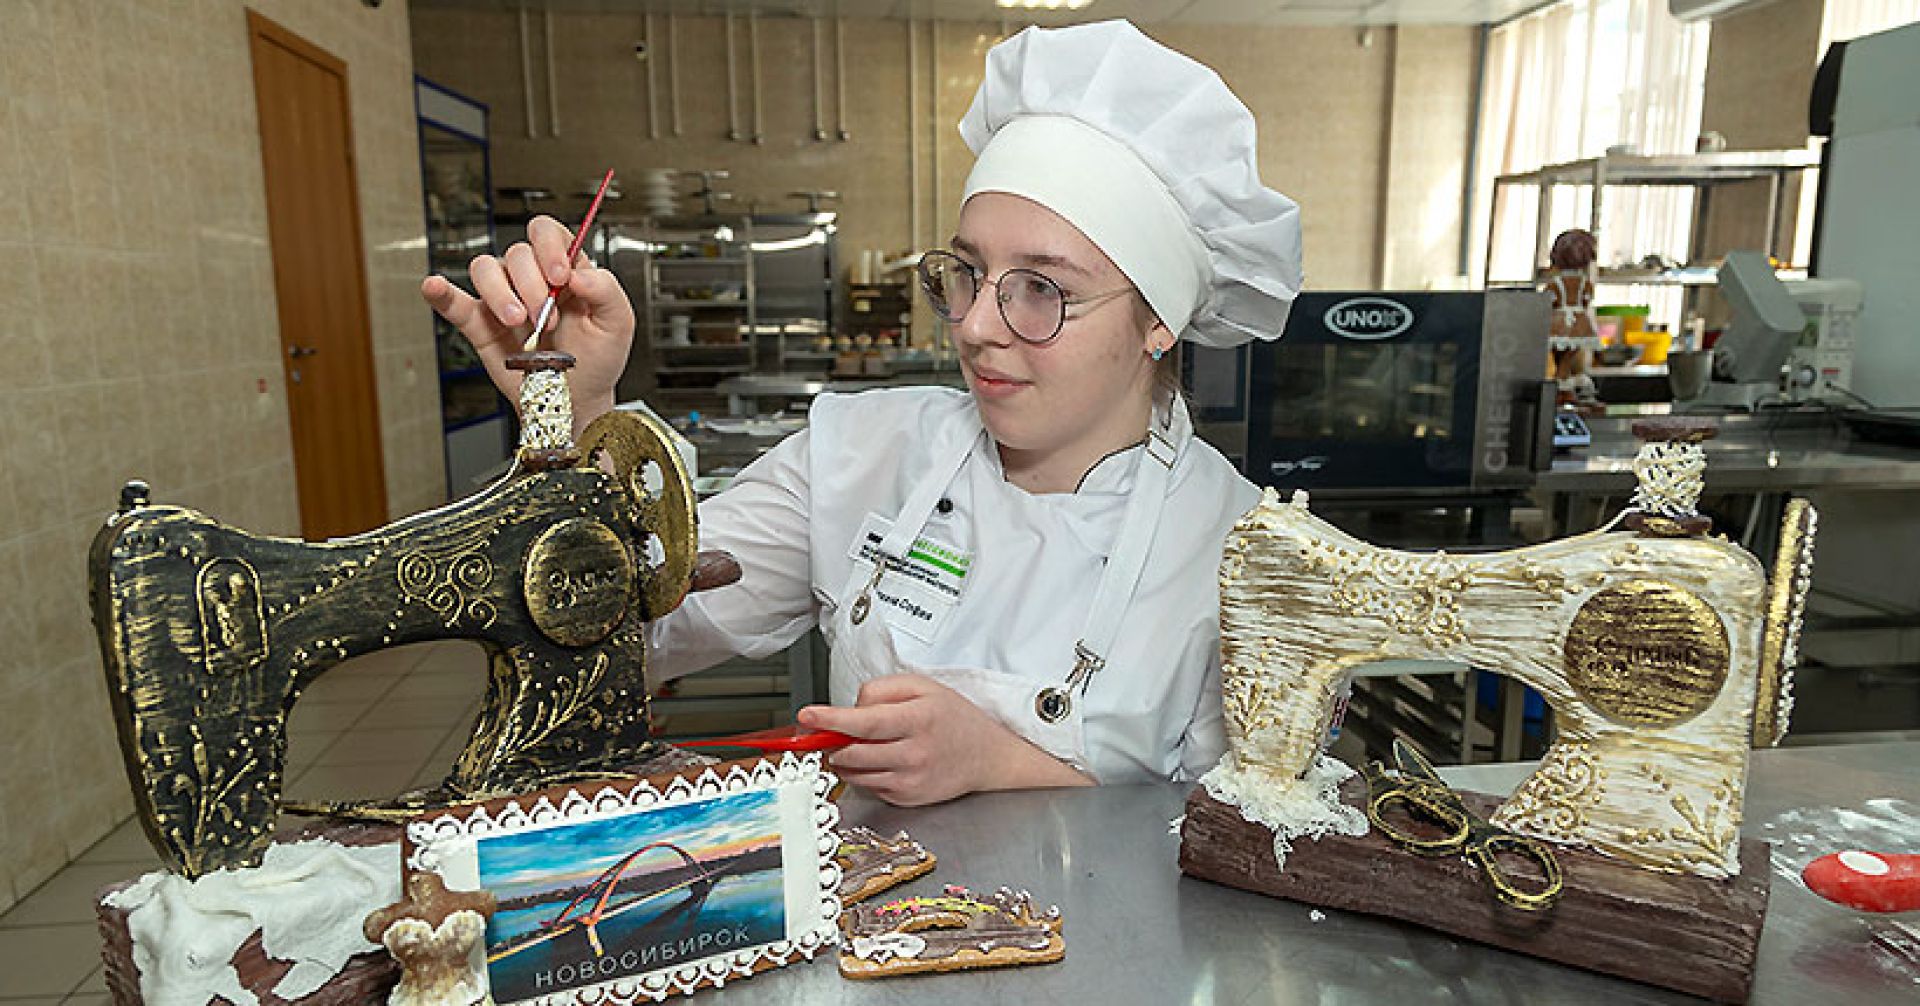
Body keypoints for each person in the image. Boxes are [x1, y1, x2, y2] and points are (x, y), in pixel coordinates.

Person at [422, 21, 1303, 806]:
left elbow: (1264, 838)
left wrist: (1004, 763)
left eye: (1043, 289)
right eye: (967, 274)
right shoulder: (861, 453)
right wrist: (582, 415)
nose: (976, 327)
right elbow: (645, 625)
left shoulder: (1248, 557)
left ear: (1158, 321)